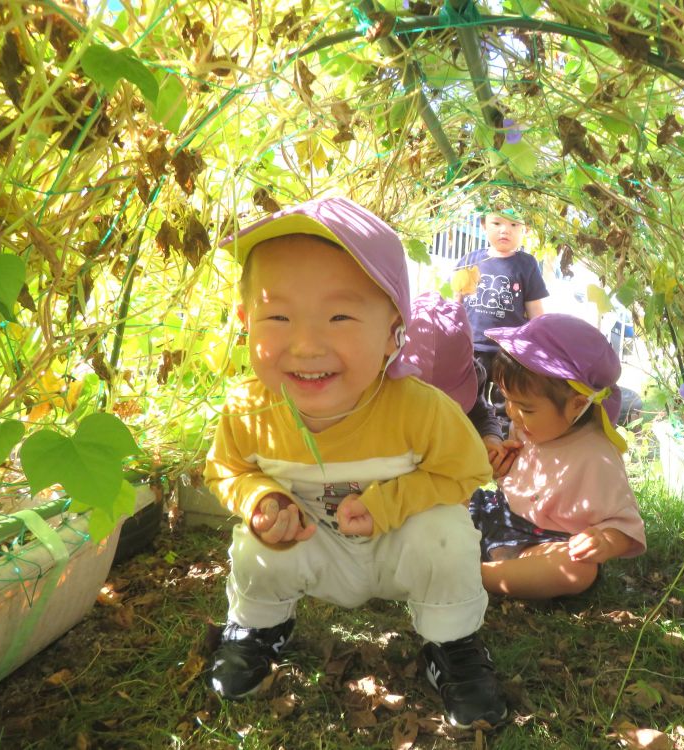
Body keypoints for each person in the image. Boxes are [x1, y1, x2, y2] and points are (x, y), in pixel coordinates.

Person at [203, 197, 507, 728]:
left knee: (446, 533)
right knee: (254, 543)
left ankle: (452, 645)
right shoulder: (248, 409)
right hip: (306, 545)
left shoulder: (420, 410)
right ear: (244, 322)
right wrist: (262, 500)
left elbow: (465, 471)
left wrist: (390, 503)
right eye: (277, 316)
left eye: (339, 316)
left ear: (394, 330)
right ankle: (258, 630)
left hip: (398, 547)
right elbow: (228, 470)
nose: (305, 344)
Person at [468, 314, 647, 599]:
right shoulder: (529, 430)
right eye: (507, 400)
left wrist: (604, 541)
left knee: (577, 570)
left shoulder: (597, 457)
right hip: (498, 513)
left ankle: (477, 576)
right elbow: (520, 484)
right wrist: (502, 469)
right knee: (453, 498)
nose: (512, 413)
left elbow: (625, 526)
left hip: (541, 543)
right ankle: (453, 551)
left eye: (526, 408)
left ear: (576, 405)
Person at [400, 291, 519, 476]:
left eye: (449, 402)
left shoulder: (475, 378)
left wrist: (491, 438)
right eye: (421, 401)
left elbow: (481, 413)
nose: (435, 412)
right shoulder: (379, 386)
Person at [452, 207, 549, 433]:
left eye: (514, 225)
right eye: (497, 223)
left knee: (507, 401)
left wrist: (540, 345)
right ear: (484, 225)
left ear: (524, 229)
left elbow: (535, 310)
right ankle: (473, 440)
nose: (505, 230)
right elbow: (456, 301)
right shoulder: (469, 260)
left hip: (509, 350)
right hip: (473, 345)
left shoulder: (527, 264)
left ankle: (505, 442)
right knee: (469, 397)